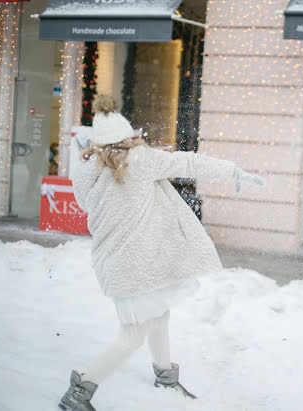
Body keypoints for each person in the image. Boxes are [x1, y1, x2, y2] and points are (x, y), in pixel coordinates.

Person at [58, 95, 265, 411]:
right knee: (132, 335)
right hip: (133, 265)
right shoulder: (141, 161)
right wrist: (233, 171)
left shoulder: (87, 167)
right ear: (127, 137)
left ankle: (165, 376)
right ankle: (80, 392)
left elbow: (87, 204)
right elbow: (189, 162)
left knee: (159, 314)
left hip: (114, 260)